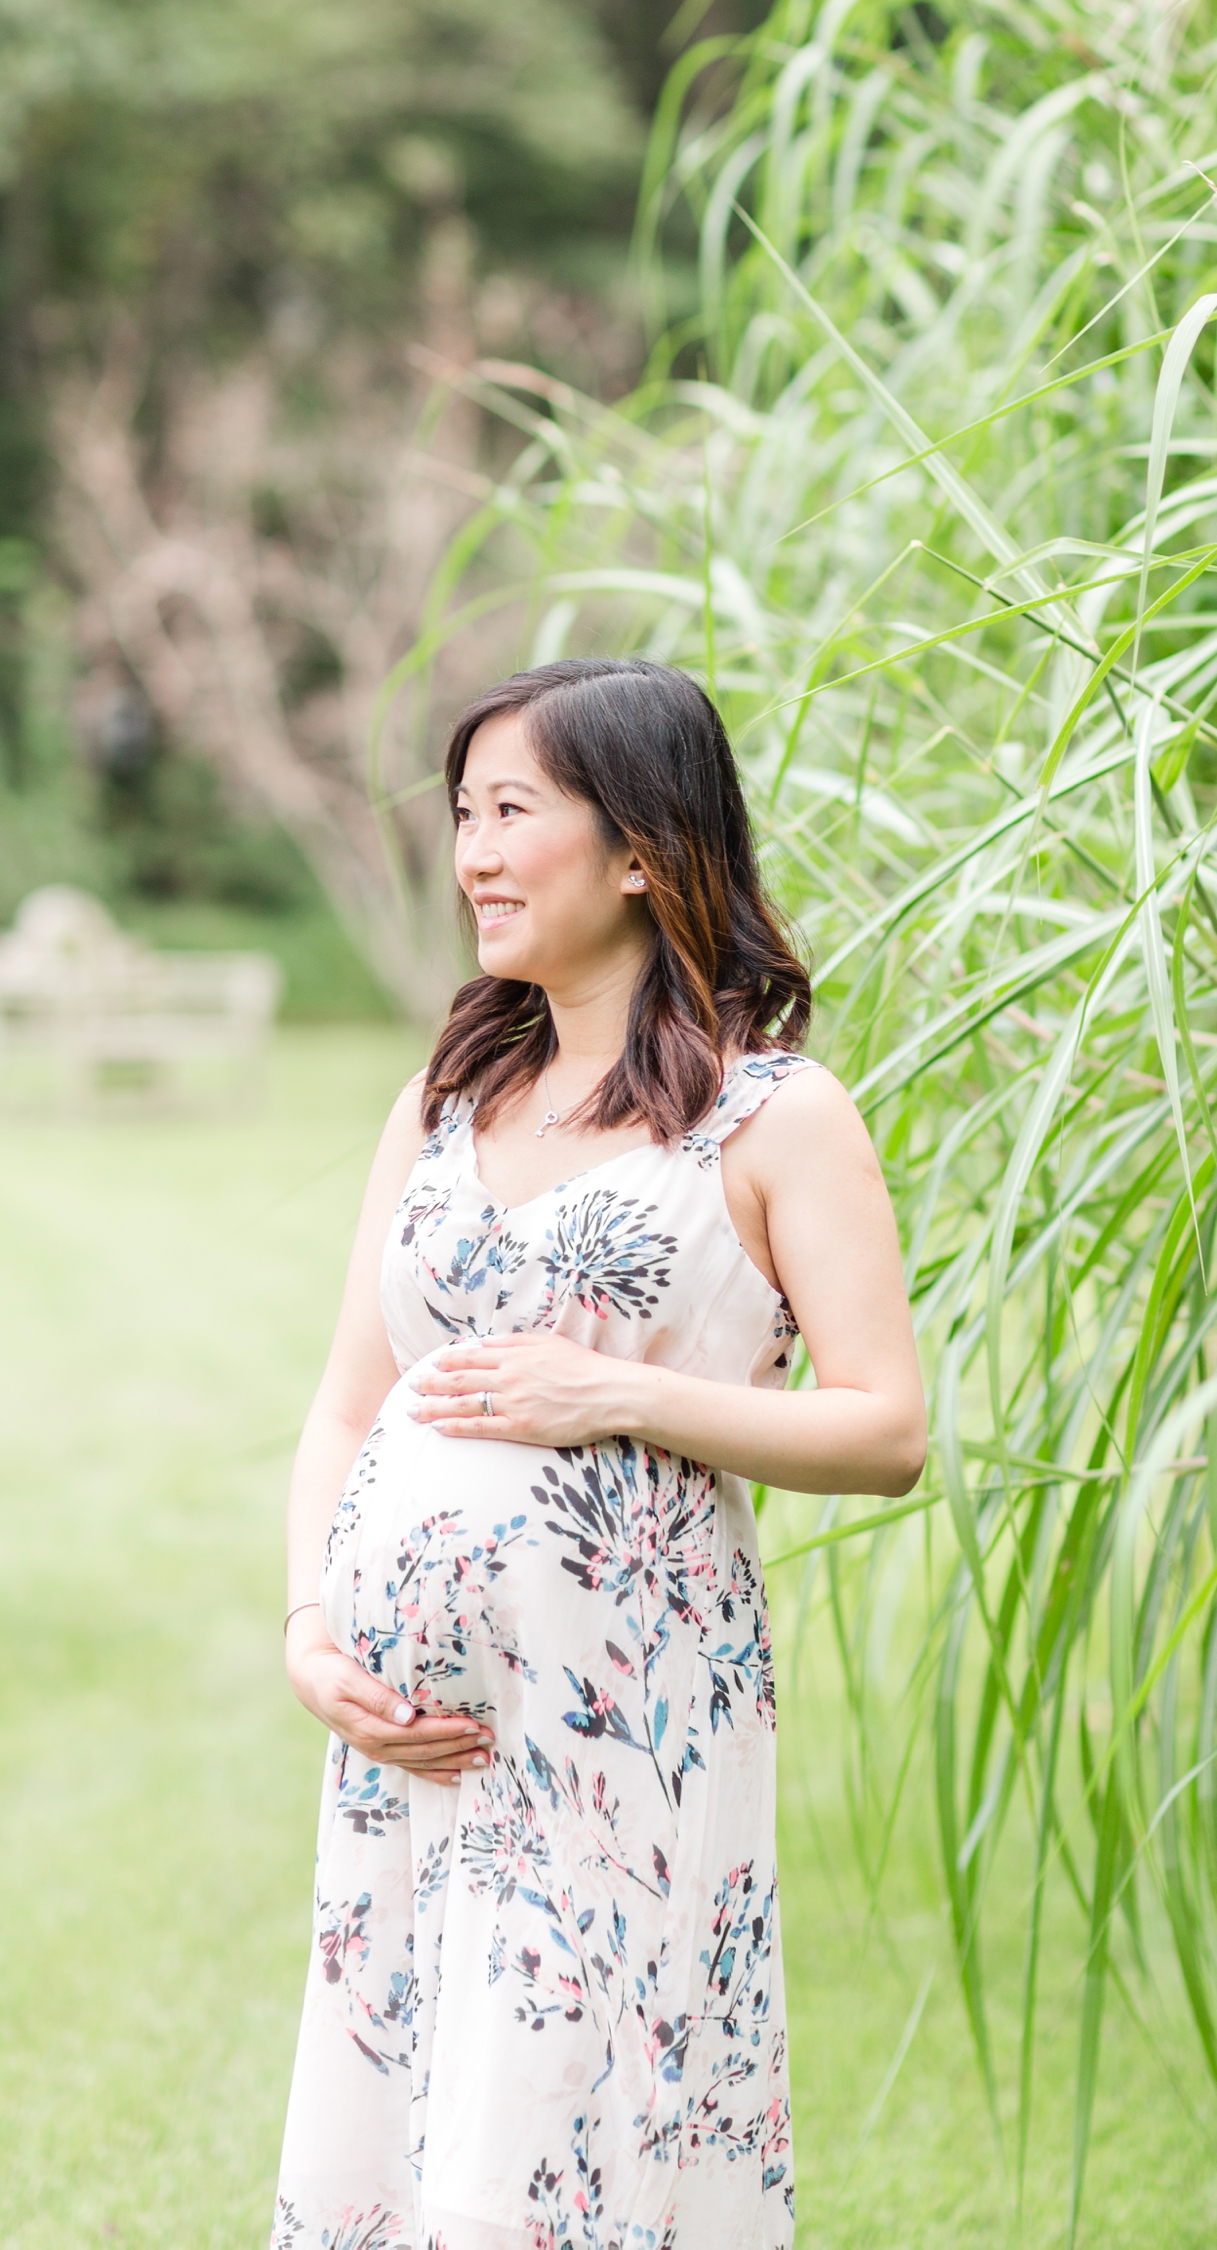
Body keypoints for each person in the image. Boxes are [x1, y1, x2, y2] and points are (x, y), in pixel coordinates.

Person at [272, 658, 926, 2250]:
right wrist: (308, 1631)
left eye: (515, 812)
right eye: (462, 815)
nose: (473, 854)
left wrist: (613, 1395)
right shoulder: (448, 1092)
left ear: (639, 844)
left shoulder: (775, 1116)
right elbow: (350, 1403)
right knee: (407, 2119)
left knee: (560, 2133)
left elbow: (884, 1425)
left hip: (622, 1718)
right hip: (407, 1743)